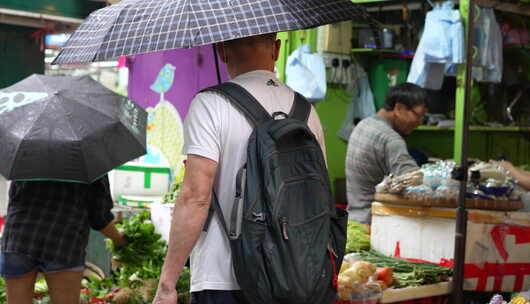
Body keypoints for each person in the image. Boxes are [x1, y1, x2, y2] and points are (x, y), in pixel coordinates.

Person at [152, 33, 326, 304]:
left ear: (221, 51)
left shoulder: (210, 104)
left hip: (223, 276)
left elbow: (196, 197)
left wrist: (167, 283)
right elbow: (318, 197)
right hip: (294, 276)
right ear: (277, 49)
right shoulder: (307, 112)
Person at [0, 176, 126, 304]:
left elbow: (13, 200)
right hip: (63, 242)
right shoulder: (91, 163)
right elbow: (100, 217)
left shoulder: (26, 158)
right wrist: (119, 241)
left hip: (19, 237)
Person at [345, 83, 428, 224]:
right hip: (374, 224)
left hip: (354, 220)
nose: (419, 122)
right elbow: (415, 185)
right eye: (418, 115)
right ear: (399, 108)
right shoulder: (391, 139)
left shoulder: (363, 125)